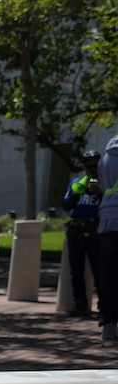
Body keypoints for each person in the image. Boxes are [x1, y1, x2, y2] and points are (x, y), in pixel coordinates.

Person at [61, 150, 103, 317]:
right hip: (77, 232)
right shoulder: (77, 183)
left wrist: (100, 192)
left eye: (96, 165)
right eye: (89, 166)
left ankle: (104, 304)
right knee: (76, 271)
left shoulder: (108, 183)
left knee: (99, 270)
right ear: (83, 167)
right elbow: (66, 206)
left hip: (96, 232)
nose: (93, 169)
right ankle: (80, 303)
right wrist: (76, 193)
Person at [97, 134, 118, 341]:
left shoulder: (106, 156)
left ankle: (108, 324)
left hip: (108, 220)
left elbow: (103, 188)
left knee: (109, 274)